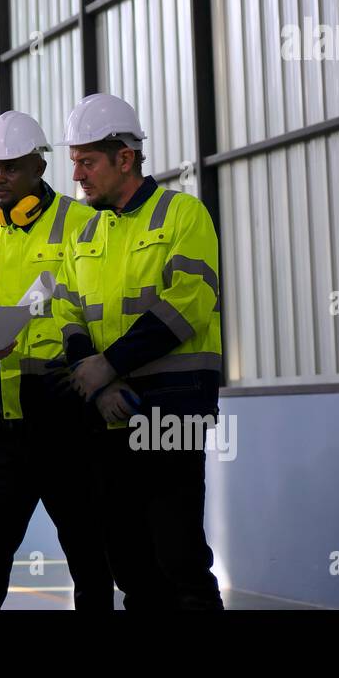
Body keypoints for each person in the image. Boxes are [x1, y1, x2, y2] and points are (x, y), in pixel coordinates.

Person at [53, 93, 224, 610]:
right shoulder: (84, 230)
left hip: (173, 406)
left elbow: (190, 300)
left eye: (87, 162)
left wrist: (110, 365)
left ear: (124, 159)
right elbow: (64, 309)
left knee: (178, 555)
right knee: (126, 559)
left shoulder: (182, 214)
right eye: (74, 162)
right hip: (106, 409)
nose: (77, 176)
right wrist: (98, 376)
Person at [0, 110, 115, 610]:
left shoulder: (82, 222)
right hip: (8, 410)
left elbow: (101, 304)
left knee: (90, 552)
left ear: (38, 168)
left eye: (10, 168)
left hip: (71, 407)